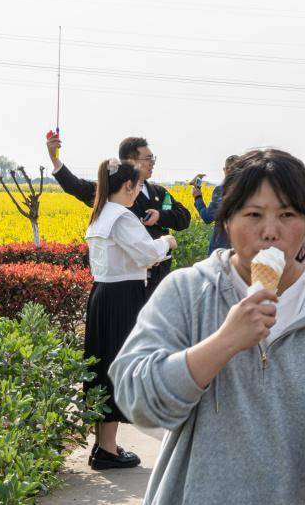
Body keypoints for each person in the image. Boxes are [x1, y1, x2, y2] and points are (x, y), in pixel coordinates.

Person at [110, 149, 305, 505]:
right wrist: (224, 342)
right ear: (226, 220)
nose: (270, 232)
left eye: (287, 214)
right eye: (253, 214)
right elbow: (140, 402)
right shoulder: (188, 291)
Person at [84, 159, 177, 471]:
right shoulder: (121, 216)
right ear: (127, 186)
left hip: (103, 295)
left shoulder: (100, 214)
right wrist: (167, 241)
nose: (139, 192)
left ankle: (103, 445)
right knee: (115, 368)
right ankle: (107, 449)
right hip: (121, 296)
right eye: (138, 186)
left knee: (102, 365)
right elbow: (147, 253)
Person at [46, 134, 191, 298]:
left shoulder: (159, 192)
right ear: (130, 161)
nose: (152, 163)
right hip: (128, 281)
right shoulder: (111, 192)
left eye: (153, 159)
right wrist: (55, 160)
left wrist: (161, 216)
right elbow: (76, 186)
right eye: (148, 158)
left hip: (160, 274)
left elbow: (184, 217)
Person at [192, 154, 239, 255]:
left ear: (225, 170)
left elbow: (207, 217)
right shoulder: (251, 191)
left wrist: (198, 198)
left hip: (222, 249)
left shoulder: (222, 190)